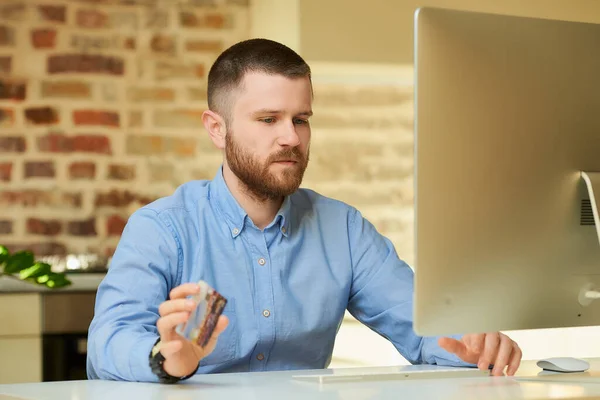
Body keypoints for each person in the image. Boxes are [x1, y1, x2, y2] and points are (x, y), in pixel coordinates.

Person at [86, 38, 522, 383]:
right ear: (216, 129)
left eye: (301, 119)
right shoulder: (163, 228)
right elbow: (107, 344)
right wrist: (167, 360)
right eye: (268, 119)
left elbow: (424, 329)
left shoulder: (343, 229)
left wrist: (474, 345)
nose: (291, 138)